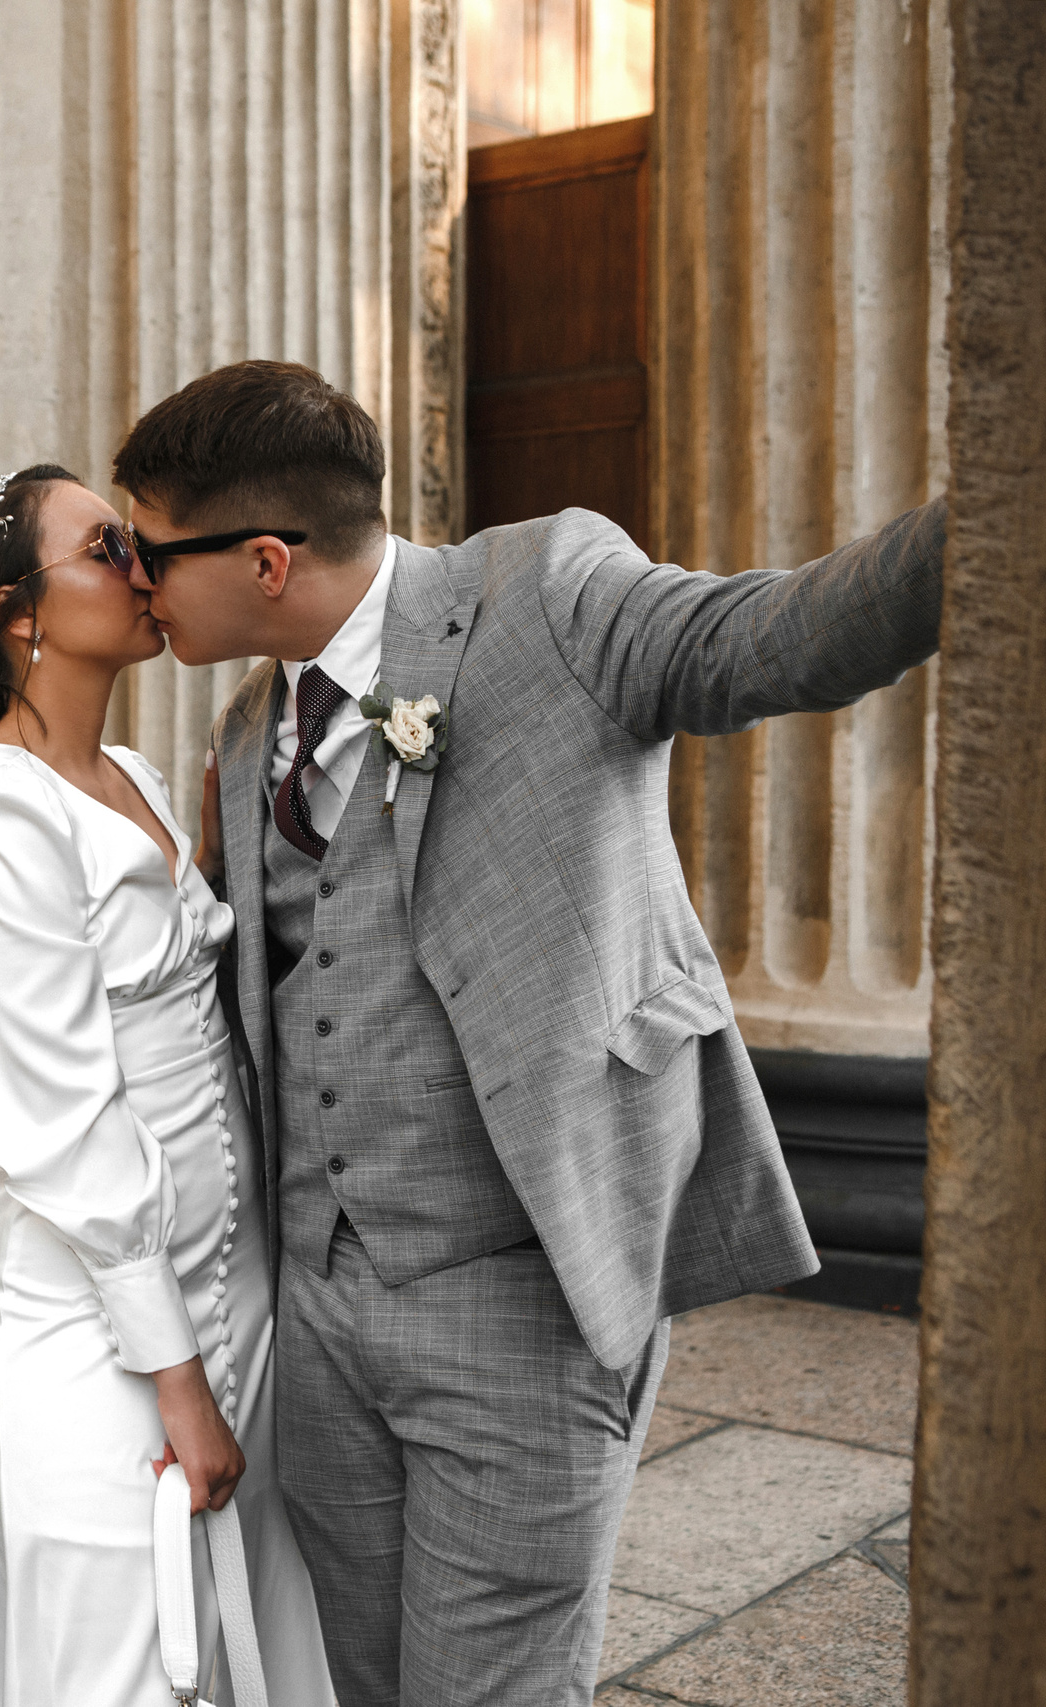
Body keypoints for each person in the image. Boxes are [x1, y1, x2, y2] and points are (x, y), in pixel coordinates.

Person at [112, 358, 945, 1707]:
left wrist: (995, 510)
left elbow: (779, 635)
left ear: (264, 558)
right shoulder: (245, 725)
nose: (137, 579)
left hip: (521, 1295)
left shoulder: (551, 592)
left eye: (149, 551)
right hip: (323, 1320)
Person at [0, 464, 336, 1706]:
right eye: (107, 549)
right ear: (20, 611)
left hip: (230, 1279)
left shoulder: (136, 775)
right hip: (96, 1321)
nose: (144, 567)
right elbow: (64, 1130)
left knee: (239, 1620)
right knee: (122, 1649)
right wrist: (178, 1386)